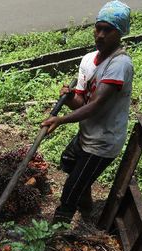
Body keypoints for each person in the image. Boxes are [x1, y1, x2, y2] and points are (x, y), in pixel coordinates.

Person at [41, 0, 134, 224]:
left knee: (70, 191)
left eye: (108, 30)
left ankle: (55, 233)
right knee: (68, 161)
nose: (100, 35)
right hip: (87, 132)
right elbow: (81, 103)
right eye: (98, 28)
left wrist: (61, 120)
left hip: (103, 141)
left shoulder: (120, 65)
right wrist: (71, 96)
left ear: (119, 33)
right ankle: (86, 204)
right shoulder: (87, 61)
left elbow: (96, 105)